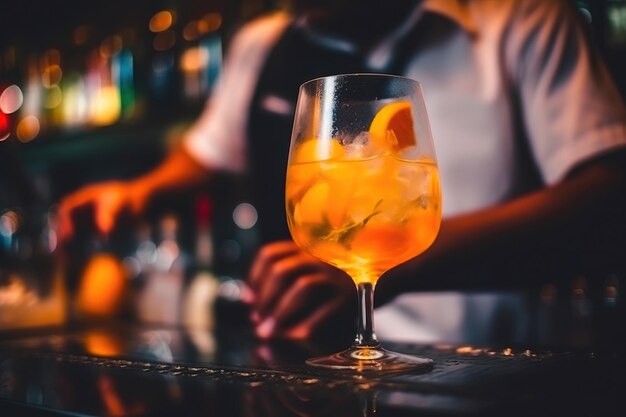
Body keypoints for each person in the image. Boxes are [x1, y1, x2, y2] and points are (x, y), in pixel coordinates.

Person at [58, 0, 626, 345]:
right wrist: (138, 192)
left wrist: (383, 261)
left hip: (492, 377)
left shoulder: (522, 19)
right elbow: (208, 150)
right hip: (317, 378)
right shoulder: (264, 43)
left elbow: (607, 202)